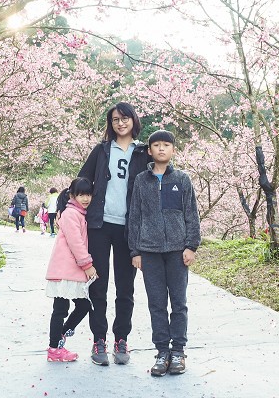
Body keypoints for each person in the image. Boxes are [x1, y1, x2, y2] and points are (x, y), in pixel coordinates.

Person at [77, 102, 148, 366]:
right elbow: (82, 180)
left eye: (125, 118)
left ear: (133, 120)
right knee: (98, 283)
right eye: (116, 119)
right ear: (111, 123)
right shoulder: (101, 150)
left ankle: (121, 339)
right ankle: (99, 340)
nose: (120, 123)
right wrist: (64, 205)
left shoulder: (143, 153)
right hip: (99, 225)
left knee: (126, 287)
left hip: (128, 229)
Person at [128, 129, 201, 377]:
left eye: (166, 145)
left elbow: (191, 214)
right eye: (156, 145)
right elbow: (135, 217)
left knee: (178, 303)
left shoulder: (182, 179)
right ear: (149, 151)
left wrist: (191, 245)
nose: (161, 149)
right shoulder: (141, 180)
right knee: (156, 303)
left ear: (173, 150)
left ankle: (178, 350)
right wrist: (135, 250)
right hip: (149, 251)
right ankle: (161, 351)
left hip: (177, 252)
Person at [45, 177, 98, 362]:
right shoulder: (70, 214)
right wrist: (88, 266)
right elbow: (76, 242)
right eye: (81, 194)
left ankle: (59, 338)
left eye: (88, 194)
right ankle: (54, 348)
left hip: (70, 270)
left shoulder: (79, 214)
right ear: (72, 195)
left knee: (82, 305)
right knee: (61, 309)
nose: (85, 198)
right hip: (64, 269)